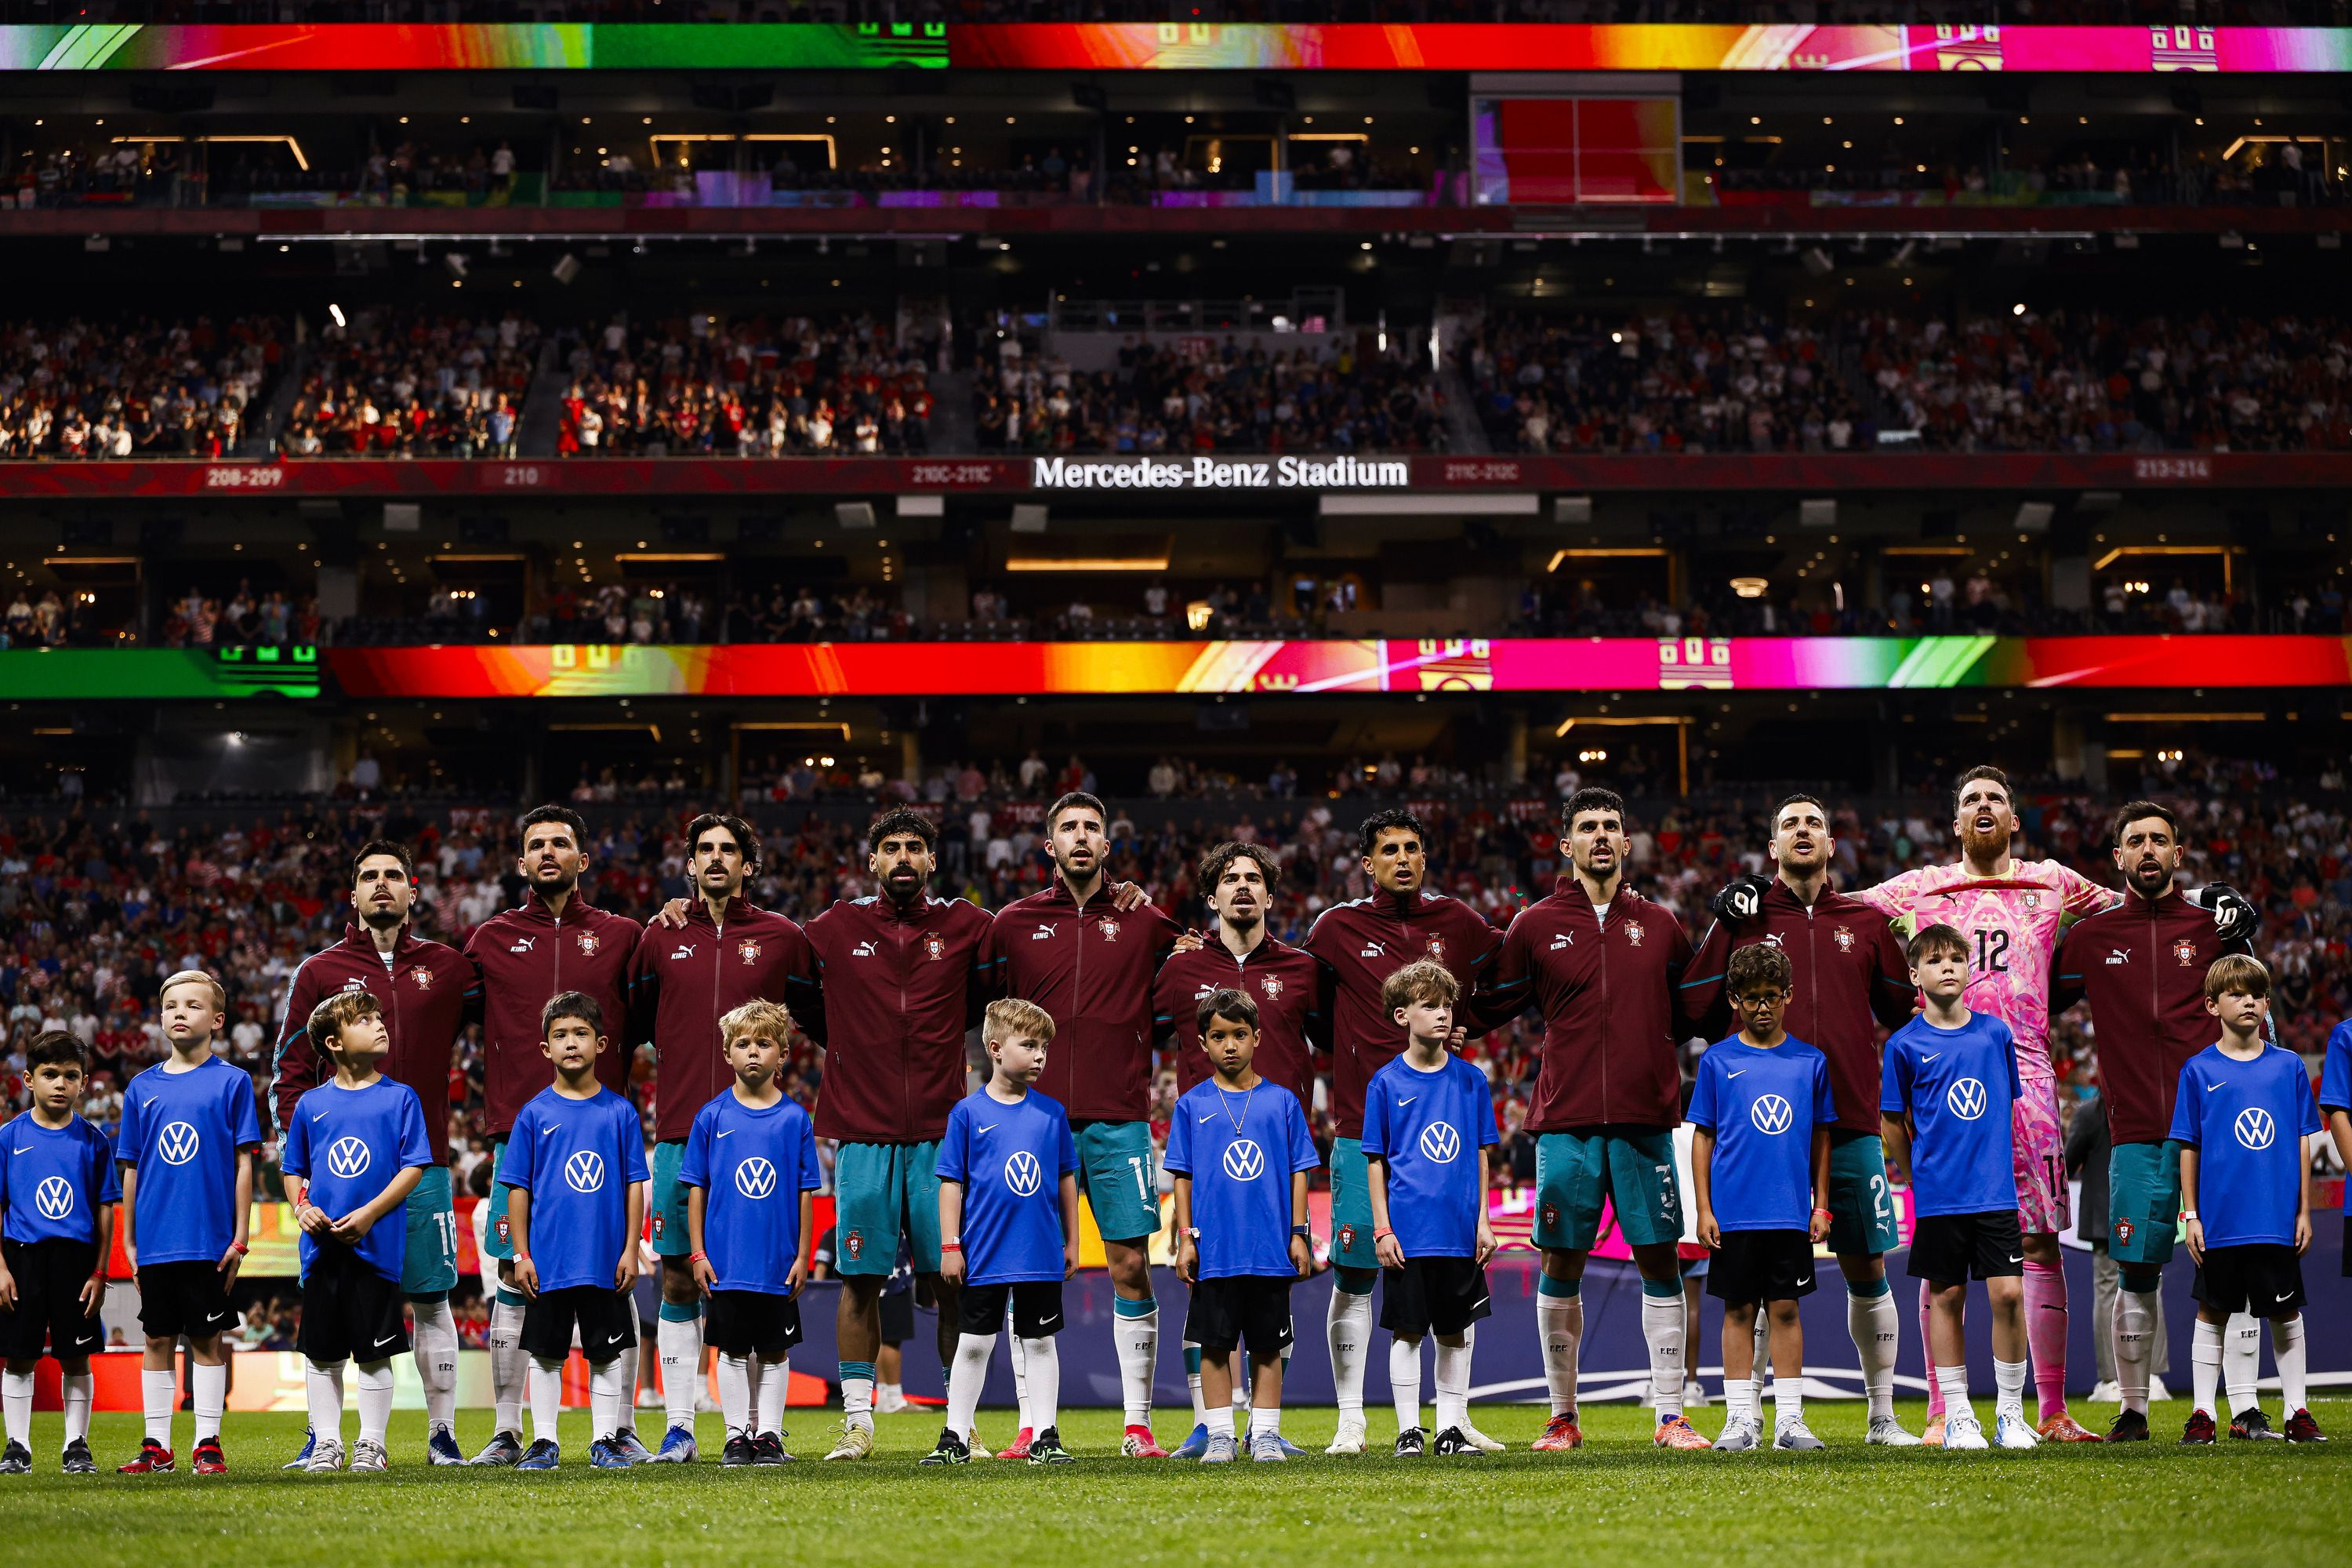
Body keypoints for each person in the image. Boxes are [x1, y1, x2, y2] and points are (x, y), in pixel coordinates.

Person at [1791, 765, 2249, 1443]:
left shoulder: (2054, 882)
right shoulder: (1919, 888)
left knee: (2037, 1240)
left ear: (2014, 820)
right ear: (1955, 824)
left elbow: (2141, 902)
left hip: (2028, 1080)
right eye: (1971, 800)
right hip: (1939, 1086)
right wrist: (1765, 895)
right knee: (1941, 1248)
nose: (1983, 807)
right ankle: (1947, 1409)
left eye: (1996, 800)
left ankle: (2053, 1410)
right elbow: (1831, 905)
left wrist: (2220, 906)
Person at [1681, 793, 1922, 1444]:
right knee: (1755, 1284)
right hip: (1756, 1143)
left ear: (1832, 842)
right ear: (1772, 848)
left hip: (1847, 1128)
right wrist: (1720, 925)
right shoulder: (1747, 917)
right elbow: (1695, 1012)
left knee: (1868, 1266)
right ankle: (1748, 1419)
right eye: (1790, 824)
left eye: (1815, 821)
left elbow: (1907, 1016)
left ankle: (1882, 1416)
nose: (1804, 831)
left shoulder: (1865, 922)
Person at [1479, 787, 1701, 1452]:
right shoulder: (1534, 924)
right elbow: (1493, 1002)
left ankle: (1671, 1415)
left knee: (1660, 1258)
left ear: (1627, 844)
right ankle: (1562, 1416)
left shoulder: (1661, 925)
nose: (1600, 836)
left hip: (1644, 1120)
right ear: (1566, 845)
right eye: (1587, 827)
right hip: (1566, 1119)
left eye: (1611, 826)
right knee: (1562, 1258)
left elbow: (1696, 1011)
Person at [2050, 800, 2256, 1440]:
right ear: (2118, 858)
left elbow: (2254, 1009)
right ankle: (2135, 1410)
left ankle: (2241, 1407)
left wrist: (2237, 922)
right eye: (2134, 841)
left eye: (2158, 840)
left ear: (2178, 854)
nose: (2146, 850)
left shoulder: (2213, 927)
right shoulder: (2092, 937)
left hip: (2219, 1134)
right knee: (2137, 1272)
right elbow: (2035, 995)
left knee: (2237, 1267)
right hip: (2134, 1134)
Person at [982, 792, 1179, 1457]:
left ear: (1108, 842)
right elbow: (979, 1019)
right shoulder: (1011, 924)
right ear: (1050, 845)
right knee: (1025, 1269)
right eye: (1069, 828)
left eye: (1093, 826)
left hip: (1118, 1118)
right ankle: (1033, 1425)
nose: (1082, 836)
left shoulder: (1143, 918)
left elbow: (1202, 961)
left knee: (1128, 1264)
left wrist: (1149, 903)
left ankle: (1138, 1422)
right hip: (1028, 1125)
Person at [272, 840, 479, 1468]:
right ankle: (324, 1434)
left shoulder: (449, 966)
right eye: (369, 877)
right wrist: (302, 1174)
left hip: (427, 1164)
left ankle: (441, 1435)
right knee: (333, 1306)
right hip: (340, 1177)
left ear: (414, 891)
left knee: (432, 1298)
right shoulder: (319, 972)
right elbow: (290, 1074)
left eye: (394, 876)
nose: (382, 885)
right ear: (354, 893)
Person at [1303, 808, 1503, 1455]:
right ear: (1368, 863)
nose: (1403, 858)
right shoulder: (1335, 928)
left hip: (1439, 1141)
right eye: (1388, 849)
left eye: (1413, 848)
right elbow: (1300, 1002)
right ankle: (1353, 1418)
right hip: (1366, 1133)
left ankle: (1455, 1419)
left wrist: (1460, 1028)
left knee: (1452, 1290)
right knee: (1357, 1275)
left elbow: (1511, 965)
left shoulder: (1459, 923)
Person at [797, 810, 991, 1461]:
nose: (903, 857)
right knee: (859, 1278)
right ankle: (858, 1422)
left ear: (932, 860)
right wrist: (845, 1038)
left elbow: (1010, 970)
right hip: (863, 1133)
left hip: (942, 1137)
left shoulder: (966, 926)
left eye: (914, 847)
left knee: (951, 1281)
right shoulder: (834, 928)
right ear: (872, 860)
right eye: (890, 848)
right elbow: (792, 987)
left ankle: (959, 1425)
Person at [626, 815, 815, 1467]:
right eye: (704, 850)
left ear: (748, 865)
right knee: (678, 1278)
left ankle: (765, 1430)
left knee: (762, 1287)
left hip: (762, 1138)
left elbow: (821, 1016)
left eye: (728, 850)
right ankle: (681, 1426)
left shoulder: (783, 938)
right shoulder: (660, 937)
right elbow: (635, 1023)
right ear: (690, 864)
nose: (715, 859)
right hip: (682, 1129)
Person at [463, 804, 644, 1465]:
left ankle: (617, 1430)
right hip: (523, 1132)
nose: (547, 852)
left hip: (604, 1130)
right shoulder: (488, 940)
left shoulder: (625, 936)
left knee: (606, 1294)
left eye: (560, 843)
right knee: (515, 1285)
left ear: (582, 859)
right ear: (520, 863)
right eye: (535, 844)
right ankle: (510, 1432)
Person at [1154, 840, 1330, 1457]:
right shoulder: (1179, 970)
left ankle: (1266, 1431)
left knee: (1265, 1318)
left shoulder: (1303, 968)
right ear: (1211, 897)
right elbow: (1134, 1030)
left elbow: (1346, 1033)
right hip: (1209, 1166)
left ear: (1271, 894)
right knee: (1210, 1311)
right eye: (1230, 879)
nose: (1243, 888)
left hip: (1277, 1171)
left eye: (1254, 878)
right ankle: (1212, 1426)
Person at [1879, 925, 2034, 1452]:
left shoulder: (1996, 1035)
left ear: (1970, 969)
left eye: (1956, 959)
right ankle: (1960, 1414)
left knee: (2010, 1295)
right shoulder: (1903, 1045)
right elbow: (1892, 1122)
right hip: (1942, 1196)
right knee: (1946, 1296)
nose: (1947, 967)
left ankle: (2011, 1415)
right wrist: (1918, 1170)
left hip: (1995, 1193)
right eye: (1935, 960)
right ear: (1914, 975)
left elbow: (2003, 1107)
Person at [1686, 944, 1836, 1453]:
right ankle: (1739, 1421)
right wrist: (1704, 1208)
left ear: (1789, 996)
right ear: (1734, 1000)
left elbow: (1820, 1137)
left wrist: (1821, 1204)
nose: (1763, 1007)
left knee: (1787, 1311)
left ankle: (1790, 1421)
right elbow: (1702, 1136)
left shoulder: (1809, 1062)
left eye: (1772, 996)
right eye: (1751, 998)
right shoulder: (1718, 1059)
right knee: (1738, 1312)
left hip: (1789, 1212)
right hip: (1733, 1213)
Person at [2170, 956, 2325, 1444]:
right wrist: (2191, 1215)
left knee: (2285, 1312)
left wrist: (2303, 1209)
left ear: (2267, 1003)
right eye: (2237, 994)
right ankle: (2202, 1414)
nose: (2250, 1002)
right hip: (2219, 1220)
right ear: (2213, 1005)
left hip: (2275, 1217)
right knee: (2212, 1312)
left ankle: (2297, 1411)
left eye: (2257, 994)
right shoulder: (2198, 1070)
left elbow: (2302, 1139)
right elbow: (2188, 1146)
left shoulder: (2289, 1067)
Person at [281, 991, 434, 1475]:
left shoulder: (400, 1098)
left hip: (376, 1249)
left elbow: (414, 1168)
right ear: (334, 1043)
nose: (379, 1026)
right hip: (323, 1250)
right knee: (322, 1354)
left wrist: (369, 1213)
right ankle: (327, 1443)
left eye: (377, 1018)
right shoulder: (310, 1104)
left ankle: (371, 1444)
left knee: (375, 1352)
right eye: (364, 1021)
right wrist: (301, 1208)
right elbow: (293, 1169)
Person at [924, 999, 1080, 1467]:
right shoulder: (967, 1114)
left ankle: (1046, 1436)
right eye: (1028, 1045)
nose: (1040, 1056)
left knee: (1039, 1342)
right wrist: (951, 1245)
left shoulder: (1052, 1113)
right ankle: (954, 1437)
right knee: (974, 1344)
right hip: (984, 1252)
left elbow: (1066, 1180)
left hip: (1038, 1251)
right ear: (994, 1047)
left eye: (1044, 1047)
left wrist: (1072, 1242)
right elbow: (950, 1183)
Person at [1166, 988, 1319, 1464]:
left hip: (1270, 1247)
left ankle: (1267, 1435)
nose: (1229, 1045)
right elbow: (1183, 1178)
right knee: (1214, 1345)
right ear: (1202, 1043)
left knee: (1268, 1345)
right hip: (1215, 1249)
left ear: (1256, 1038)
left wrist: (1299, 1233)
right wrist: (1187, 1239)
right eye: (1218, 1037)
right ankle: (1219, 1436)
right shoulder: (1191, 1105)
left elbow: (1299, 1171)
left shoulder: (1282, 1102)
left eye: (1238, 1035)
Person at [117, 971, 260, 1474]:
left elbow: (245, 1163)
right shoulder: (141, 1088)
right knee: (156, 1338)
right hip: (155, 1240)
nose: (180, 1013)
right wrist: (130, 1240)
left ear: (217, 1020)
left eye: (193, 1006)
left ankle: (207, 1443)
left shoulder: (233, 1082)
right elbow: (131, 1168)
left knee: (206, 1340)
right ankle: (156, 1445)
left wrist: (241, 1237)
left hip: (208, 1238)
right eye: (171, 1005)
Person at [502, 992, 651, 1471]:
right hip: (548, 1260)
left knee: (605, 1354)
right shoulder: (533, 1114)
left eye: (581, 1034)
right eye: (560, 1035)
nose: (571, 1043)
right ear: (545, 1048)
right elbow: (518, 1190)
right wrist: (522, 1254)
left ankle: (604, 1439)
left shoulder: (620, 1112)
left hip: (605, 1258)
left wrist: (631, 1249)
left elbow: (634, 1186)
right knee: (545, 1354)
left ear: (601, 1043)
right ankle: (544, 1441)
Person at [1363, 960, 1498, 1458]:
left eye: (1446, 1005)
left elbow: (1481, 1153)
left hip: (1459, 1231)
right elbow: (1375, 1162)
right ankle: (1408, 1432)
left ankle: (1448, 1431)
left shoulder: (1471, 1081)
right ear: (1402, 1015)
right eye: (1429, 1006)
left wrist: (1482, 1221)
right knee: (1407, 1331)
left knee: (1455, 1332)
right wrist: (1382, 1229)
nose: (1442, 1015)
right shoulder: (1385, 1083)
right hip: (1408, 1232)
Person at [681, 999, 823, 1468]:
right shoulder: (711, 1116)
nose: (753, 1053)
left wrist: (802, 1256)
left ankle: (768, 1436)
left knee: (776, 1349)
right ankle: (736, 1435)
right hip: (726, 1261)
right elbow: (696, 1191)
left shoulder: (795, 1120)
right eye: (743, 1044)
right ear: (728, 1053)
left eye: (764, 1044)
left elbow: (805, 1193)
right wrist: (698, 1252)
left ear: (783, 1054)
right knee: (733, 1349)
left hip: (778, 1262)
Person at [0, 1031, 118, 1475]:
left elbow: (105, 1209)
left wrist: (100, 1272)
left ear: (83, 1083)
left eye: (70, 1076)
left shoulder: (94, 1141)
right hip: (23, 1257)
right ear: (29, 1079)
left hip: (76, 1261)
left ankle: (76, 1445)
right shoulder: (8, 1138)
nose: (60, 1084)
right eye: (50, 1074)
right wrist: (1, 1269)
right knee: (20, 1355)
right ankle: (16, 1446)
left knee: (75, 1355)